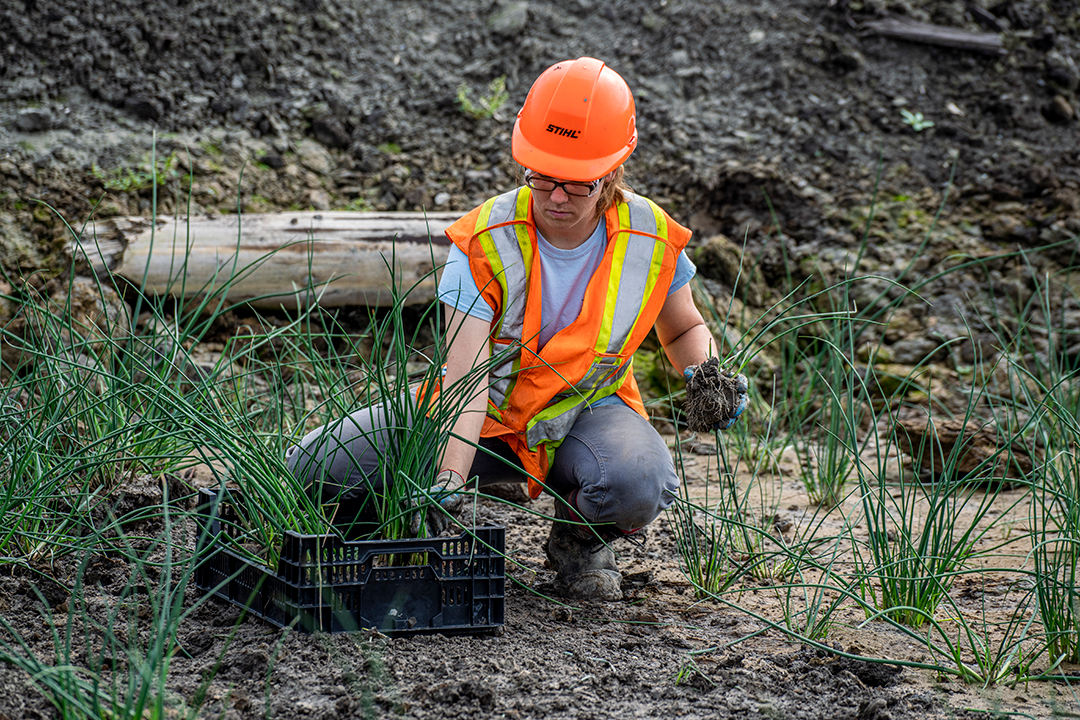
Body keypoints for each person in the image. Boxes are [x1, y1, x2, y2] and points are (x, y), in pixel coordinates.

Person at [286, 57, 747, 602]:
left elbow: (683, 327)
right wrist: (448, 487)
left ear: (613, 172)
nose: (555, 197)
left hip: (587, 415)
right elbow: (465, 384)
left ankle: (582, 544)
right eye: (542, 176)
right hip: (485, 415)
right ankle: (376, 521)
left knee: (638, 481)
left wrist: (707, 373)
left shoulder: (649, 237)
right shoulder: (486, 242)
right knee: (313, 468)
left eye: (577, 185)